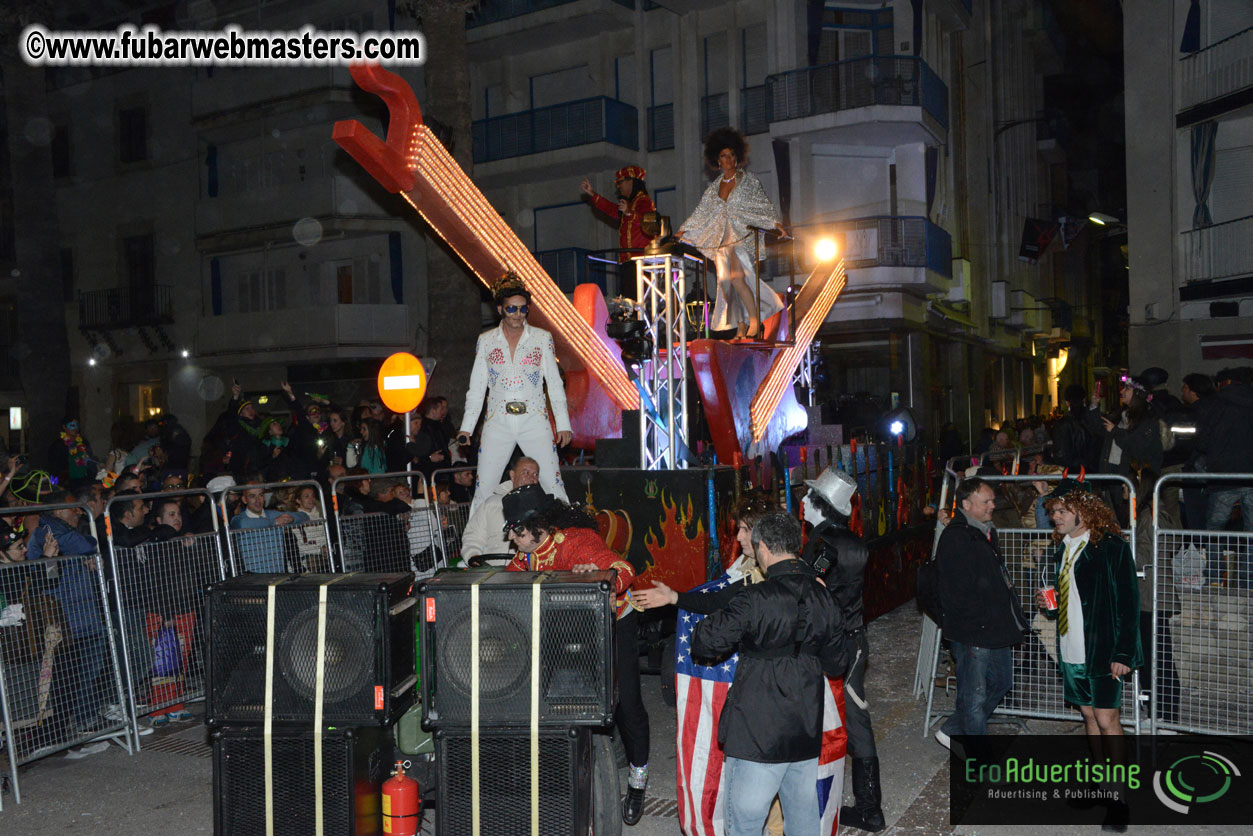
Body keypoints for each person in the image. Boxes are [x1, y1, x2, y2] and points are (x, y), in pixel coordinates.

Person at [691, 513, 848, 836]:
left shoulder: (754, 598)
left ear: (762, 548)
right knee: (803, 818)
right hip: (804, 728)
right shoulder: (824, 597)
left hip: (757, 732)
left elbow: (705, 641)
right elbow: (837, 664)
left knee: (745, 823)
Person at [500, 484, 646, 825]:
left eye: (517, 530)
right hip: (569, 625)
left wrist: (602, 578)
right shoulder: (528, 553)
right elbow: (510, 580)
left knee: (626, 702)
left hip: (614, 621)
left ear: (538, 525)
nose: (512, 538)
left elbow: (624, 570)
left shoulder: (578, 542)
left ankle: (638, 778)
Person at [1035, 480, 1141, 832]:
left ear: (1084, 510)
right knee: (1088, 717)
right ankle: (1100, 784)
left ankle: (1119, 800)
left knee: (1108, 720)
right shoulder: (1062, 546)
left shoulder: (1110, 547)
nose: (1055, 519)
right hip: (1071, 648)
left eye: (1062, 512)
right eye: (1053, 513)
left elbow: (1128, 603)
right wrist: (1049, 606)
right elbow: (1068, 597)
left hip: (1103, 650)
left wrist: (1123, 651)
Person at [800, 468, 882, 833]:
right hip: (854, 641)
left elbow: (812, 586)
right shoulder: (853, 541)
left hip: (832, 645)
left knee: (846, 722)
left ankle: (868, 809)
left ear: (820, 505)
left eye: (808, 497)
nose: (801, 501)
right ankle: (865, 806)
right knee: (852, 719)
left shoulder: (824, 546)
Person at [457, 272, 572, 514]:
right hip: (497, 420)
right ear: (500, 309)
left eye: (523, 309)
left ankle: (569, 541)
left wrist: (563, 424)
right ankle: (473, 549)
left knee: (553, 483)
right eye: (512, 309)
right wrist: (466, 428)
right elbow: (477, 388)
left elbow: (554, 383)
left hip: (534, 419)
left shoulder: (542, 338)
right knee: (484, 487)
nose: (518, 315)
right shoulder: (486, 340)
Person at [933, 477, 1028, 749]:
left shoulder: (984, 531)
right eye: (985, 501)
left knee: (1001, 682)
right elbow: (956, 589)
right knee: (974, 696)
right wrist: (974, 625)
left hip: (994, 627)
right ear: (966, 504)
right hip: (975, 629)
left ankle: (952, 728)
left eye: (992, 500)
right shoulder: (957, 537)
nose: (992, 505)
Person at [678, 127, 787, 340]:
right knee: (726, 284)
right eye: (723, 156)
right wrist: (683, 230)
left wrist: (776, 224)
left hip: (742, 239)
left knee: (737, 279)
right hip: (722, 242)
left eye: (731, 155)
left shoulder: (748, 181)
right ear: (717, 161)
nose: (727, 159)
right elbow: (701, 213)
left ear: (737, 158)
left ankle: (755, 322)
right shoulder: (714, 188)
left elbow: (762, 204)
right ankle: (740, 328)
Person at [580, 165, 656, 296]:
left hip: (640, 262)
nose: (618, 186)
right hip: (628, 263)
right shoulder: (630, 203)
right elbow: (611, 209)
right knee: (628, 301)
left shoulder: (643, 201)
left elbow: (647, 220)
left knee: (637, 301)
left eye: (620, 182)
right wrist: (592, 194)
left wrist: (629, 213)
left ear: (630, 181)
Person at [459, 455, 539, 565]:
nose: (532, 478)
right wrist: (474, 558)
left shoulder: (542, 508)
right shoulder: (492, 504)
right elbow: (473, 537)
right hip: (491, 573)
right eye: (526, 472)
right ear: (512, 475)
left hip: (527, 573)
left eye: (535, 474)